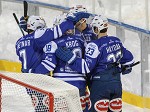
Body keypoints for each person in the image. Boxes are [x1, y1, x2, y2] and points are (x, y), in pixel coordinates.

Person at [55, 15, 134, 112]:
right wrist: (126, 68)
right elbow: (130, 60)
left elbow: (86, 67)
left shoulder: (94, 45)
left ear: (96, 28)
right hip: (116, 83)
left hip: (101, 84)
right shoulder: (116, 41)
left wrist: (70, 58)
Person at [32, 13, 91, 111]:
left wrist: (33, 73)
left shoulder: (53, 43)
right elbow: (88, 63)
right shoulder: (81, 39)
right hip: (80, 83)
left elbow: (49, 65)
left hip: (62, 84)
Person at [15, 15, 75, 112]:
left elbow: (28, 52)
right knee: (46, 109)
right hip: (41, 79)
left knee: (40, 108)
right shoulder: (39, 39)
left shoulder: (18, 42)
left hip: (27, 81)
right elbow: (49, 63)